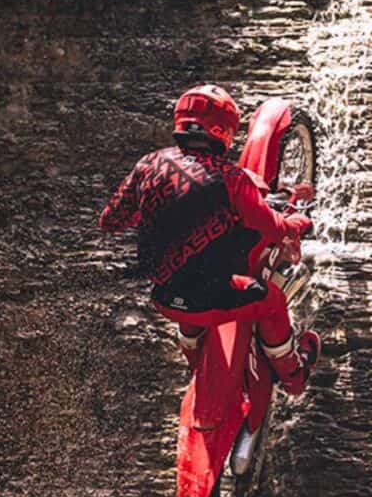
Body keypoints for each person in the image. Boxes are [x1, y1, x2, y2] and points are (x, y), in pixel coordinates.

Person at [98, 84, 320, 395]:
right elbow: (274, 228)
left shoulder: (149, 165)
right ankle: (294, 376)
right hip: (212, 300)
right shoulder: (231, 180)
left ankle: (194, 355)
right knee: (272, 302)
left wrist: (160, 206)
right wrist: (299, 222)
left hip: (164, 298)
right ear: (224, 131)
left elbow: (109, 221)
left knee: (186, 278)